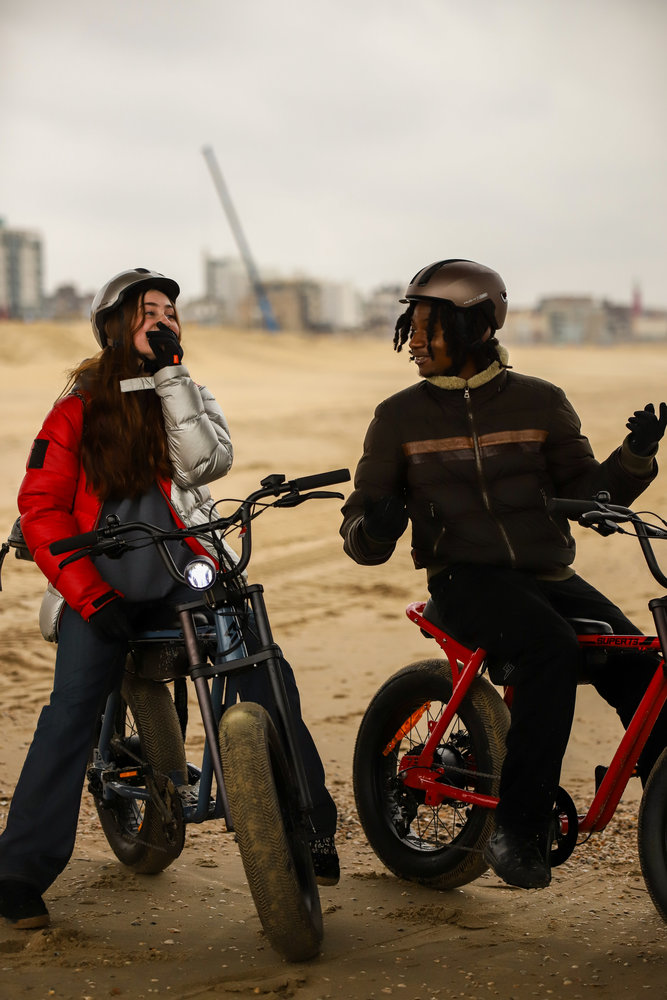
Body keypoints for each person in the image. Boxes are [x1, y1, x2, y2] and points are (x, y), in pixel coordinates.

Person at [0, 267, 338, 929]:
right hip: (101, 588)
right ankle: (17, 872)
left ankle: (309, 826)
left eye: (170, 313)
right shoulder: (74, 410)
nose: (162, 321)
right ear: (113, 327)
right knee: (71, 711)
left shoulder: (190, 394)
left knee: (265, 671)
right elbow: (41, 507)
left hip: (188, 574)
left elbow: (205, 464)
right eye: (147, 312)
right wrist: (90, 597)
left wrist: (171, 379)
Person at [340, 257, 667, 890]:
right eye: (411, 326)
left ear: (478, 326)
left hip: (546, 576)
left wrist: (635, 456)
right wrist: (375, 526)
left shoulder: (540, 401)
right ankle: (517, 829)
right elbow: (361, 537)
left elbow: (591, 496)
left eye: (429, 326)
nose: (414, 340)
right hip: (464, 580)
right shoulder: (397, 417)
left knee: (643, 661)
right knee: (551, 648)